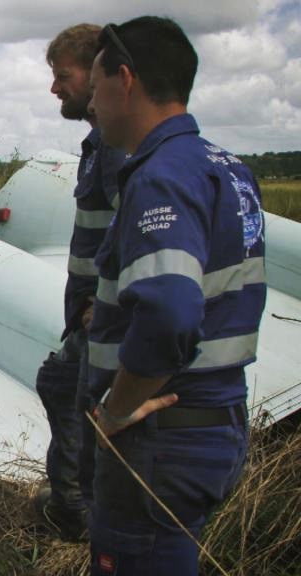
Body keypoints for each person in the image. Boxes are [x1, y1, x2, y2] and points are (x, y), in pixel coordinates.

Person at [86, 17, 264, 575]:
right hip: (214, 424)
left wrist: (117, 409)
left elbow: (169, 309)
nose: (91, 104)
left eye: (95, 88)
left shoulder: (160, 175)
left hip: (159, 441)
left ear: (126, 80)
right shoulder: (227, 167)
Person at [34, 23, 124, 541]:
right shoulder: (98, 144)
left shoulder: (114, 149)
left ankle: (81, 513)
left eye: (62, 75)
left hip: (101, 315)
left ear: (95, 74)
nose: (55, 88)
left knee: (84, 404)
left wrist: (103, 305)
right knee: (61, 384)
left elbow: (136, 228)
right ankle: (72, 501)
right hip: (89, 313)